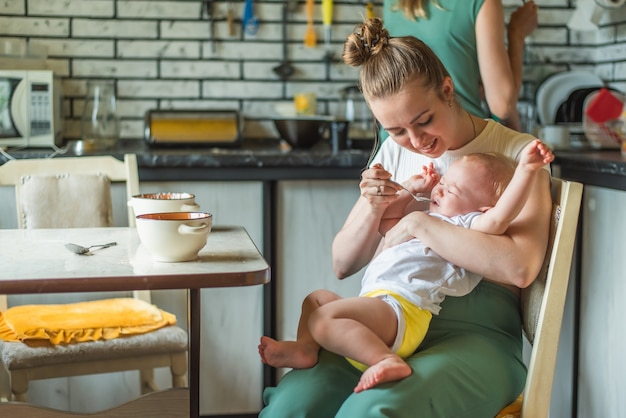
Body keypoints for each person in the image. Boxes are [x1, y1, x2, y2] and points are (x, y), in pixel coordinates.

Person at [259, 18, 553, 417]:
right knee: (292, 406)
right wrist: (374, 206)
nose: (415, 142)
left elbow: (519, 268)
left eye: (423, 120)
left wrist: (416, 223)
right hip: (387, 325)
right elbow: (343, 263)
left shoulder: (518, 156)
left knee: (373, 408)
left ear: (447, 90)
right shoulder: (395, 155)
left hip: (477, 335)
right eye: (396, 130)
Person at [258, 140, 553, 394]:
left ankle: (385, 360)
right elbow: (387, 222)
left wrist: (526, 170)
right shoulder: (432, 215)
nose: (439, 190)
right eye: (443, 182)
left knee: (323, 320)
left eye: (451, 191)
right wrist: (410, 190)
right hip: (380, 301)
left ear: (481, 209)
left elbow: (500, 218)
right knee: (316, 300)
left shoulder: (469, 225)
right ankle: (306, 349)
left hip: (402, 309)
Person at [383, 0, 538, 131]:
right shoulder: (481, 2)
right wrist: (517, 34)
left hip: (395, 148)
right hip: (457, 146)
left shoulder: (393, 2)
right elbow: (503, 105)